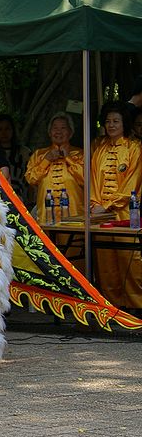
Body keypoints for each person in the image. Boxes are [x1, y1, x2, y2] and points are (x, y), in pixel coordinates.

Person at [89, 101, 142, 310]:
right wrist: (95, 205)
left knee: (130, 260)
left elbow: (134, 184)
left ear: (124, 123)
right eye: (108, 121)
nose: (111, 125)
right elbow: (93, 181)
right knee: (105, 263)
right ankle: (113, 309)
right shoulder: (99, 149)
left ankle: (137, 308)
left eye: (116, 121)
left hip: (126, 214)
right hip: (101, 216)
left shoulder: (134, 148)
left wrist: (109, 205)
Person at [24, 112, 84, 224]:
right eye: (55, 128)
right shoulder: (39, 154)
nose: (58, 131)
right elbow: (31, 179)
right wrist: (46, 160)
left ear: (70, 133)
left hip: (75, 218)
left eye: (63, 128)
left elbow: (85, 178)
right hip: (46, 218)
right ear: (50, 133)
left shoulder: (80, 154)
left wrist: (68, 158)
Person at [0, 114, 30, 199]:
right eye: (0, 129)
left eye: (7, 129)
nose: (4, 133)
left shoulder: (25, 153)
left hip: (22, 198)